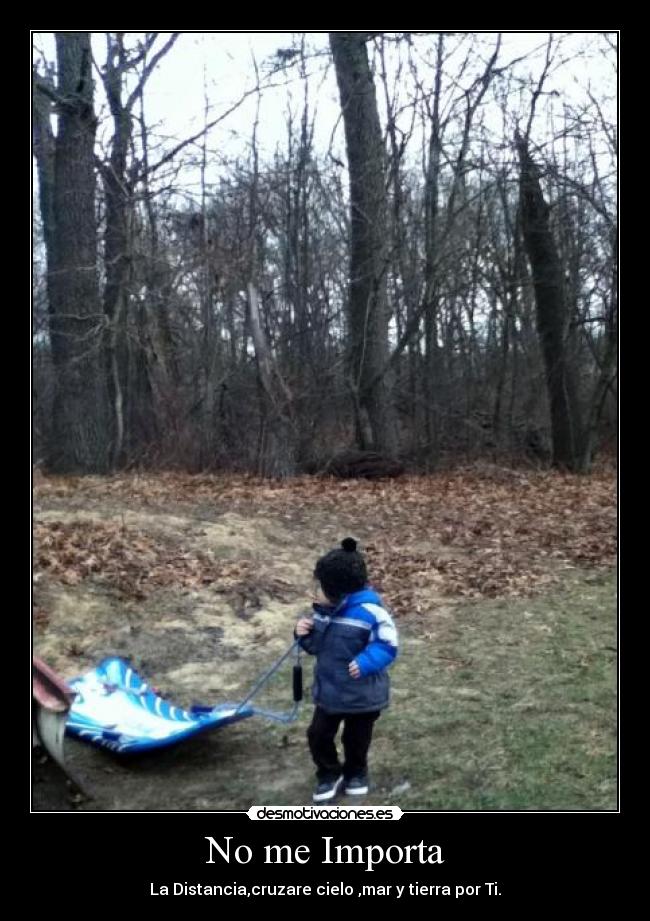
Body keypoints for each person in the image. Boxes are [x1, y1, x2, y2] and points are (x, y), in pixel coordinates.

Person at [295, 538, 398, 803]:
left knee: (356, 739)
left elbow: (388, 644)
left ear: (336, 590)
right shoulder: (322, 613)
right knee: (317, 735)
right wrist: (302, 635)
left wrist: (366, 661)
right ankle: (329, 772)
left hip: (362, 697)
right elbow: (316, 646)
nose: (314, 592)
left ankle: (356, 772)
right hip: (329, 693)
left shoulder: (371, 613)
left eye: (319, 586)